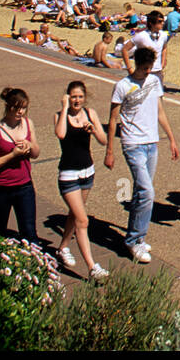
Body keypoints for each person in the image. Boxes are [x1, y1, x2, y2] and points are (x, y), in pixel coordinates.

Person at [105, 47, 180, 264]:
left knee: (141, 192)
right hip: (132, 143)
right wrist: (109, 150)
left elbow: (160, 112)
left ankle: (138, 236)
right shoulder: (122, 86)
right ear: (136, 64)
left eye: (150, 69)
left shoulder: (154, 82)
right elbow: (112, 119)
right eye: (144, 69)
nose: (147, 72)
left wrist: (171, 138)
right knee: (147, 192)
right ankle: (134, 239)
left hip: (151, 142)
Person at [53, 81, 109, 278]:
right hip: (68, 175)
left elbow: (104, 140)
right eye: (73, 96)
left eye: (80, 96)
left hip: (87, 173)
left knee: (74, 215)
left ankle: (62, 248)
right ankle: (92, 267)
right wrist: (64, 108)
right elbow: (60, 134)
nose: (77, 100)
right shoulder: (60, 116)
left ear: (85, 97)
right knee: (82, 220)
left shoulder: (90, 113)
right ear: (68, 97)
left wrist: (93, 129)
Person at [0, 87, 41, 245]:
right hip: (1, 189)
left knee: (29, 233)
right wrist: (12, 155)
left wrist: (30, 145)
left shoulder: (28, 124)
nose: (20, 112)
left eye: (23, 108)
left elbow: (36, 153)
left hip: (24, 187)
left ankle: (32, 265)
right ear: (8, 106)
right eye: (17, 107)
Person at [123, 10, 169, 86]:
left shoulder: (164, 35)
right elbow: (125, 49)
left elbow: (164, 47)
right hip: (143, 72)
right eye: (160, 21)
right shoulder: (141, 36)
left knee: (158, 96)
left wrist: (163, 61)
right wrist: (129, 68)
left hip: (158, 72)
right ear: (151, 23)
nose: (162, 23)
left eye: (163, 21)